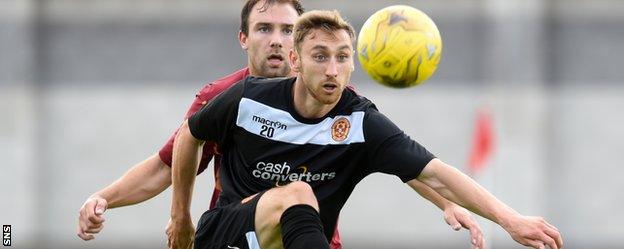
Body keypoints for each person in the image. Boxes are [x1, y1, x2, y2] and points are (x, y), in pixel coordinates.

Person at [77, 1, 484, 248]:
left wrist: (446, 202)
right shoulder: (224, 97)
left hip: (311, 238)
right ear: (243, 38)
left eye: (288, 30)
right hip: (239, 234)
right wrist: (107, 198)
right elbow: (167, 163)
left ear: (301, 40)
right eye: (264, 29)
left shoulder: (339, 101)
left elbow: (399, 159)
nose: (277, 40)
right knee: (295, 195)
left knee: (300, 200)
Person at [166, 9, 564, 249]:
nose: (333, 69)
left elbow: (435, 173)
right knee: (298, 193)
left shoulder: (360, 122)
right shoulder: (248, 98)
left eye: (342, 57)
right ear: (296, 60)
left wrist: (511, 220)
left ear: (354, 63)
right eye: (320, 56)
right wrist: (180, 216)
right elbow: (189, 136)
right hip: (225, 235)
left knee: (300, 200)